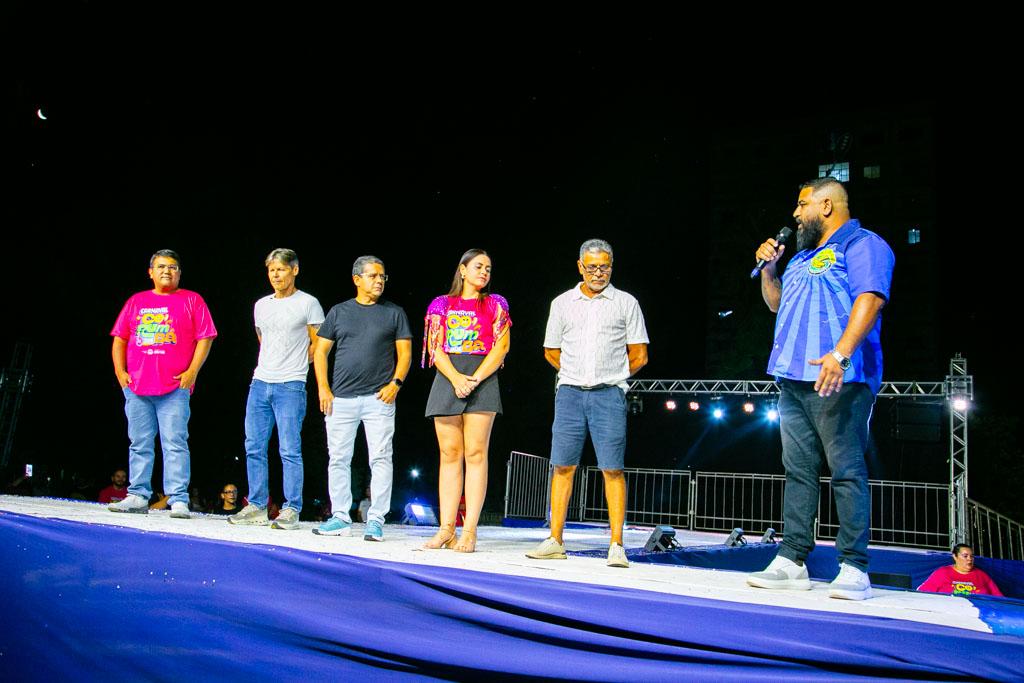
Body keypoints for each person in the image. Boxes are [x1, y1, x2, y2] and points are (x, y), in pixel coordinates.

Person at [746, 178, 895, 601]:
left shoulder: (862, 244)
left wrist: (841, 354)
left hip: (840, 377)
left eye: (802, 204)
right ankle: (792, 559)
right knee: (798, 471)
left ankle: (854, 566)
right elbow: (777, 304)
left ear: (826, 206)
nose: (796, 214)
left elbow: (871, 298)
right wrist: (769, 270)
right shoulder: (800, 257)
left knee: (846, 470)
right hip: (793, 379)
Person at [526, 239, 648, 568]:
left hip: (609, 393)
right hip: (570, 393)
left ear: (612, 266)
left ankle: (617, 545)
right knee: (562, 465)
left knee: (613, 468)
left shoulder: (626, 303)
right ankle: (555, 540)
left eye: (604, 266)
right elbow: (551, 350)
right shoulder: (562, 303)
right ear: (580, 266)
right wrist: (576, 371)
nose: (598, 273)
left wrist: (611, 374)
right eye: (592, 267)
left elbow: (639, 355)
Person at [108, 249, 217, 519]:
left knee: (175, 443)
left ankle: (178, 499)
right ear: (151, 272)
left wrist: (192, 372)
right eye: (160, 267)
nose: (166, 271)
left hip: (174, 388)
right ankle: (138, 495)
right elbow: (120, 337)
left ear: (179, 272)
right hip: (137, 386)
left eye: (172, 267)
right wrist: (120, 372)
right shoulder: (136, 301)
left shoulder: (192, 299)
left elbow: (206, 337)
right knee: (139, 443)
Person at [312, 256, 412, 541]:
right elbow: (320, 352)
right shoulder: (339, 312)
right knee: (338, 458)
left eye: (382, 276)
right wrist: (323, 388)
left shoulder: (394, 313)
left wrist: (396, 383)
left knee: (380, 458)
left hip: (379, 399)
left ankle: (376, 519)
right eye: (373, 276)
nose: (379, 281)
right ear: (357, 279)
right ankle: (340, 517)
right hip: (340, 398)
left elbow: (405, 354)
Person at [421, 249, 511, 553]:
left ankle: (469, 530)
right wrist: (456, 378)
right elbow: (435, 347)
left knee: (475, 453)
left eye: (488, 268)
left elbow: (501, 347)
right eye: (478, 266)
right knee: (449, 453)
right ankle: (446, 529)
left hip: (482, 377)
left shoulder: (495, 303)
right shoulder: (441, 304)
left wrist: (474, 378)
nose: (484, 272)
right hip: (448, 376)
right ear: (462, 269)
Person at [229, 248, 325, 530]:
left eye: (281, 269)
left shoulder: (308, 303)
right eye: (272, 270)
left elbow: (319, 344)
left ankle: (291, 508)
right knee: (253, 446)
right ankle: (257, 506)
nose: (276, 275)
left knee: (289, 449)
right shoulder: (261, 305)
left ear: (294, 270)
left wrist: (298, 363)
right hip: (260, 382)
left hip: (291, 384)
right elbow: (263, 339)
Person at [918, 544, 1004, 596]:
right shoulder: (942, 573)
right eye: (965, 556)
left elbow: (999, 598)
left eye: (971, 556)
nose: (969, 559)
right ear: (955, 557)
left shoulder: (982, 575)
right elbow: (922, 594)